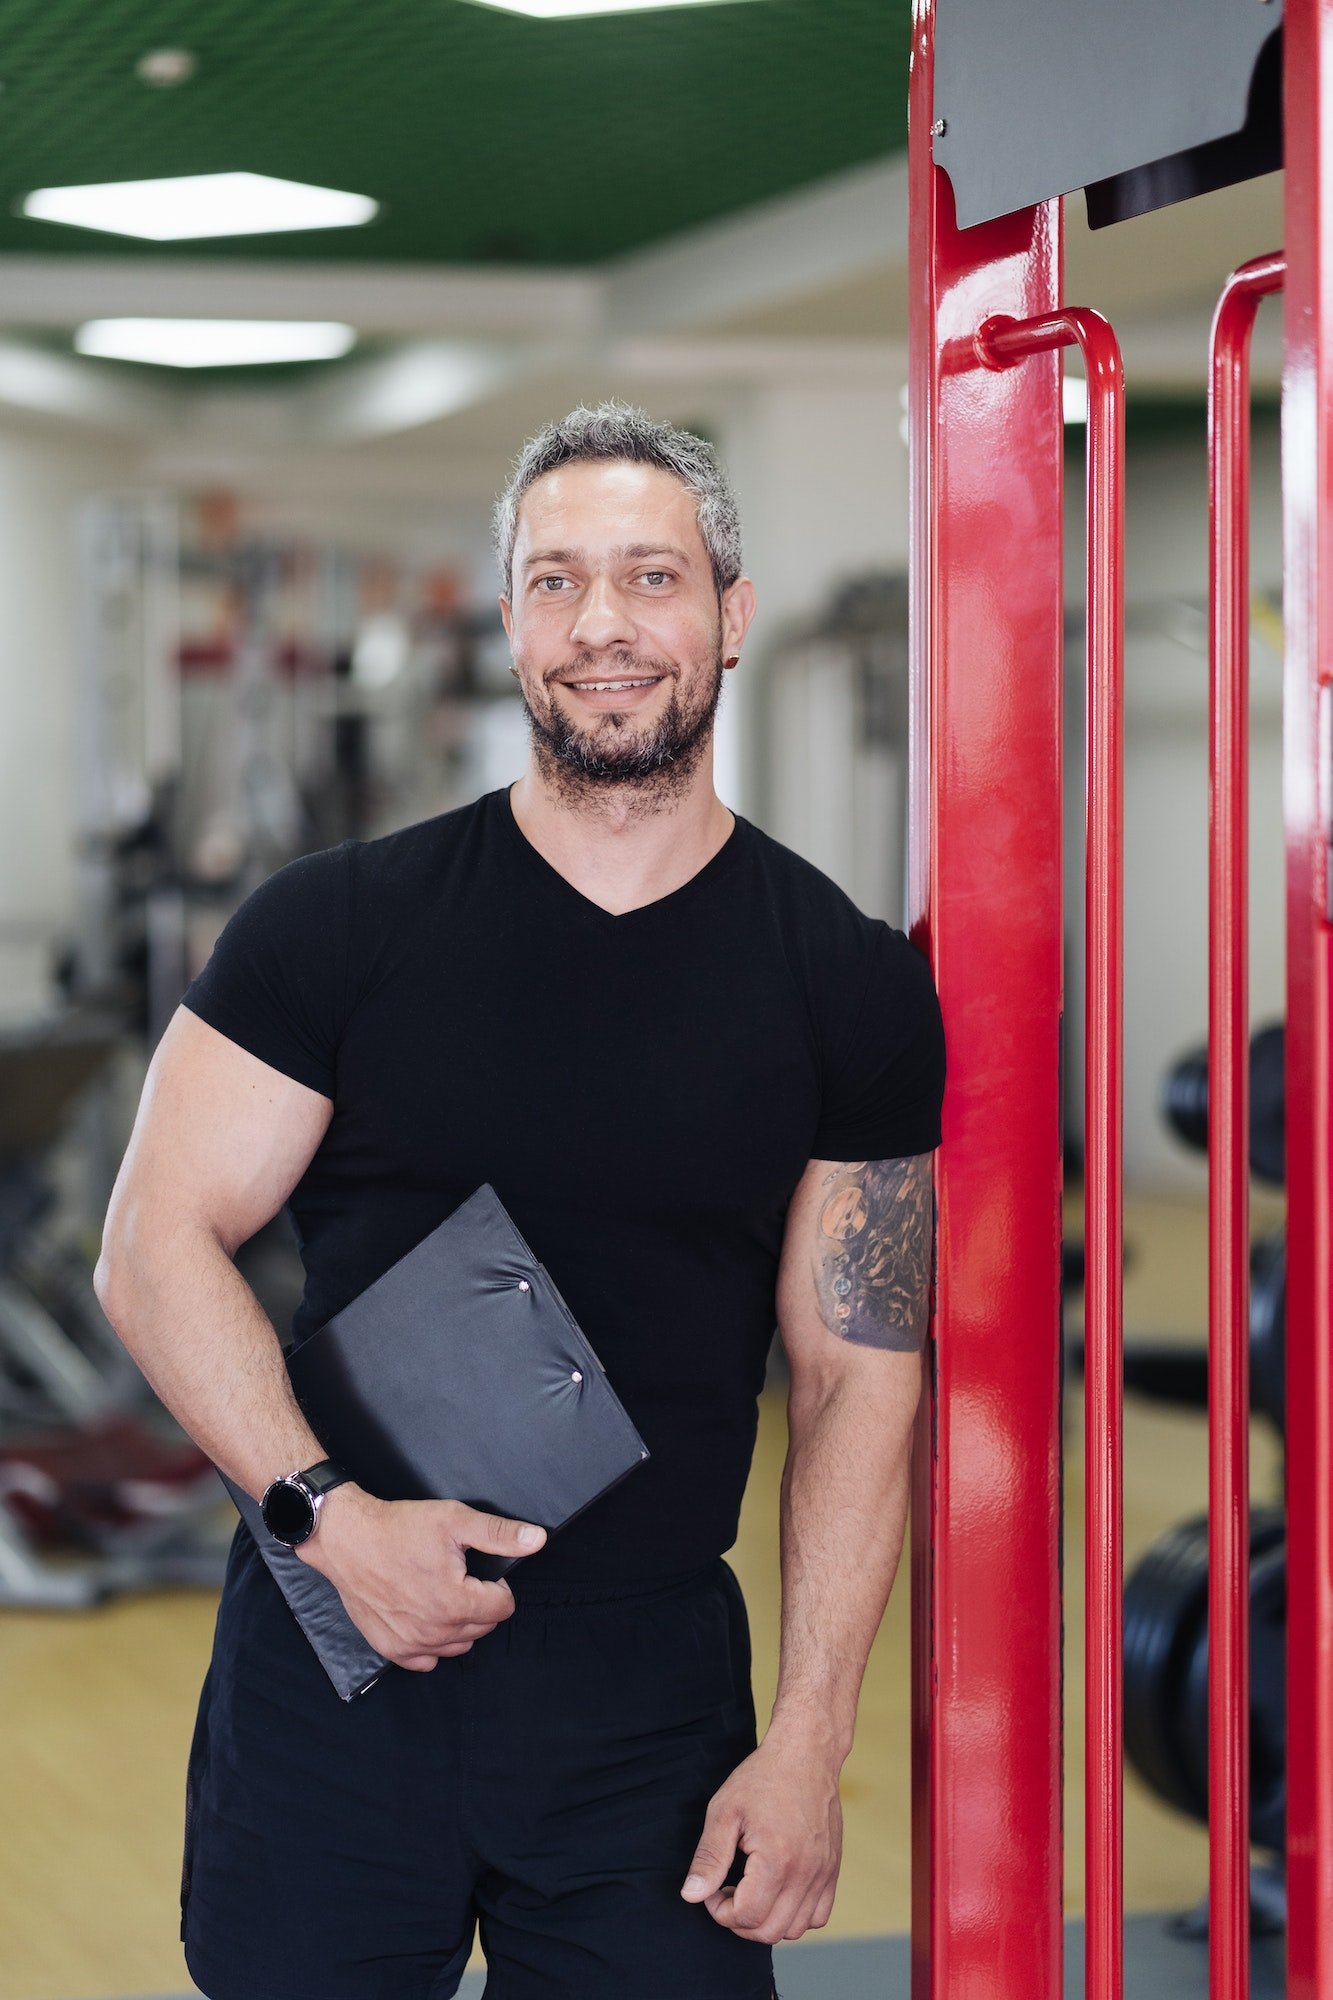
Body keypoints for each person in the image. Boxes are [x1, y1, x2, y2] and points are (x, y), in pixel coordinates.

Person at [94, 401, 945, 2000]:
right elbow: (151, 1249)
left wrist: (811, 1739)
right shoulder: (332, 929)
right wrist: (328, 1519)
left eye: (649, 577)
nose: (603, 626)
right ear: (507, 622)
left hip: (645, 1698)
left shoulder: (845, 985)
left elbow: (853, 1378)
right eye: (555, 583)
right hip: (336, 1642)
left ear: (730, 615)